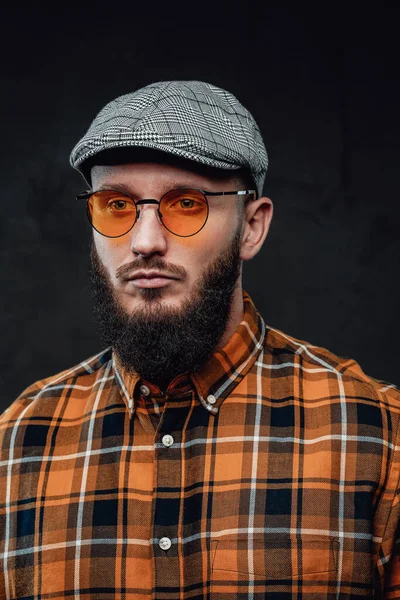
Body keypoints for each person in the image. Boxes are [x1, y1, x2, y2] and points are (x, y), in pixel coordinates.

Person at [0, 80, 399, 599]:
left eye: (186, 204)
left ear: (251, 228)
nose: (145, 241)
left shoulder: (377, 438)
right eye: (117, 205)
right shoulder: (15, 447)